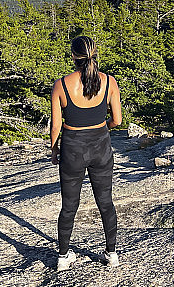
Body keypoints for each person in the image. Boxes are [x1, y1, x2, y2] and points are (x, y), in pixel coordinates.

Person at [50, 35, 122, 272]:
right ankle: (111, 254)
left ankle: (63, 257)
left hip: (73, 149)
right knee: (106, 202)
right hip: (101, 147)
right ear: (94, 55)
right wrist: (102, 129)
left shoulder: (61, 85)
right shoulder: (110, 82)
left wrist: (54, 148)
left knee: (69, 205)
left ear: (73, 56)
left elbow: (56, 126)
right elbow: (117, 120)